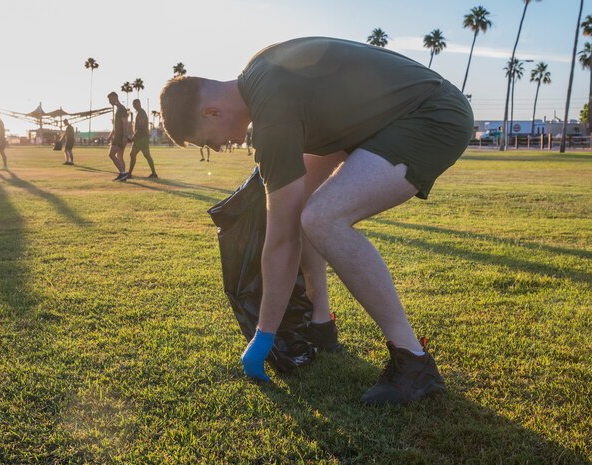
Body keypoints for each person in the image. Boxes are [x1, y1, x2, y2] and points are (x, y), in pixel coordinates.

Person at [160, 37, 473, 405]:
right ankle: (321, 323)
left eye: (206, 142)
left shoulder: (270, 113)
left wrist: (264, 335)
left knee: (323, 218)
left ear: (212, 113)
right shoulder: (260, 69)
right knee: (304, 205)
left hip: (431, 114)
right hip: (390, 118)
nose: (215, 148)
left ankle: (413, 361)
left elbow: (280, 242)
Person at [126, 99, 158, 179]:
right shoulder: (139, 112)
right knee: (133, 154)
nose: (134, 105)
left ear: (139, 104)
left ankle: (154, 174)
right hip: (140, 138)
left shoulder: (141, 113)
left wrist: (133, 137)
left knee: (145, 155)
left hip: (142, 138)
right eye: (133, 104)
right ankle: (129, 173)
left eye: (136, 104)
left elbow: (140, 126)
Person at [106, 91, 130, 181]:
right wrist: (109, 136)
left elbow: (125, 124)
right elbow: (115, 126)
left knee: (111, 154)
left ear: (115, 97)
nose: (109, 102)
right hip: (118, 136)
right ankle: (123, 176)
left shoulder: (122, 109)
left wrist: (124, 137)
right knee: (120, 157)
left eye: (110, 99)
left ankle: (123, 173)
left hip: (120, 137)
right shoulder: (118, 109)